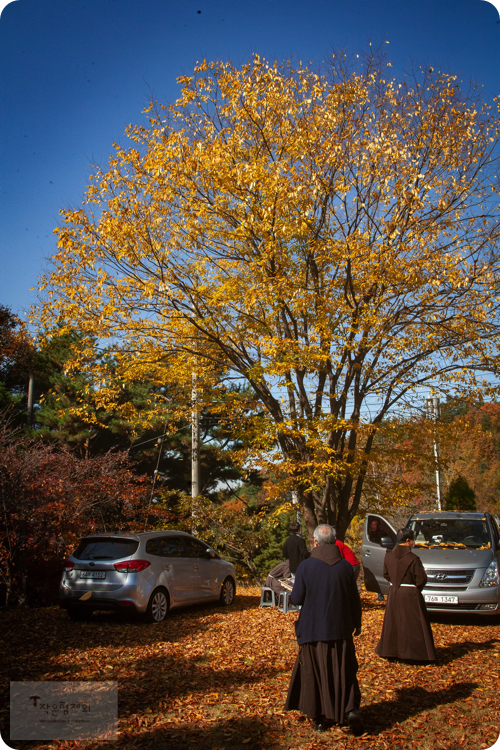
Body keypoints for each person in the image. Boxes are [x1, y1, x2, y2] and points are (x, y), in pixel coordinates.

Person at [284, 525, 364, 736]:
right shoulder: (345, 567)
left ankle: (318, 717)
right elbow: (354, 600)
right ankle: (349, 710)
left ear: (316, 542)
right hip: (340, 629)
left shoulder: (306, 567)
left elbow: (297, 598)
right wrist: (357, 622)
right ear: (335, 541)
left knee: (314, 672)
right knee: (343, 670)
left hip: (313, 629)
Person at [375, 528, 436, 662]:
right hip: (410, 594)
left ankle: (391, 651)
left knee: (394, 623)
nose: (413, 543)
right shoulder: (413, 558)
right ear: (408, 541)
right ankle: (414, 653)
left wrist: (396, 584)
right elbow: (421, 579)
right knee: (412, 624)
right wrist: (413, 589)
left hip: (394, 593)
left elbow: (385, 574)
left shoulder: (388, 555)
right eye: (412, 540)